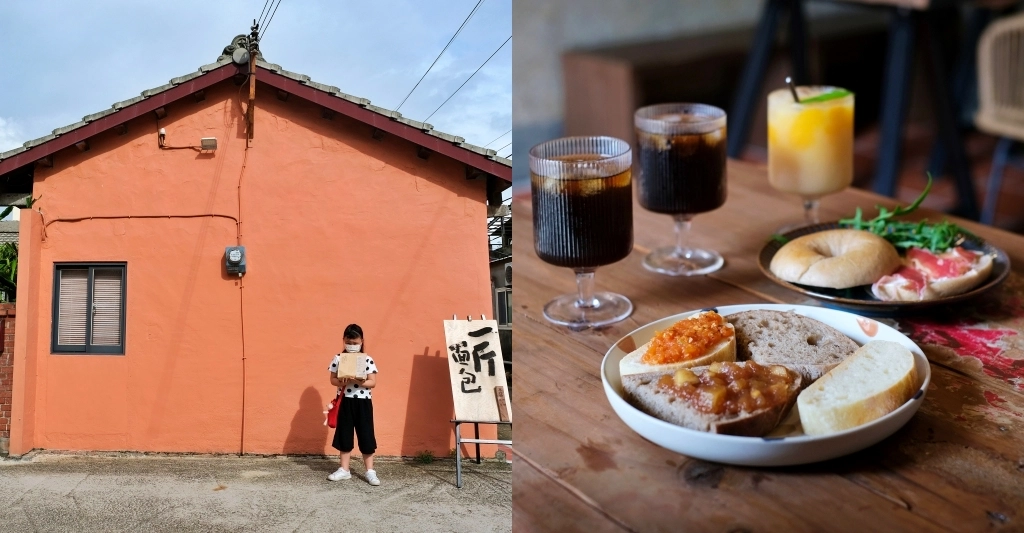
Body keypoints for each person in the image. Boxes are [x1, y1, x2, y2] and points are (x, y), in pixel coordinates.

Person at [326, 323, 380, 486]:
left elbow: (373, 382)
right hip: (345, 401)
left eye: (355, 343)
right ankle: (344, 470)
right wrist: (341, 381)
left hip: (363, 402)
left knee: (366, 434)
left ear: (362, 341)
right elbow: (332, 380)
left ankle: (370, 471)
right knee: (345, 434)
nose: (352, 346)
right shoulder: (338, 358)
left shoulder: (368, 359)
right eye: (349, 343)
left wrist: (360, 381)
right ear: (343, 340)